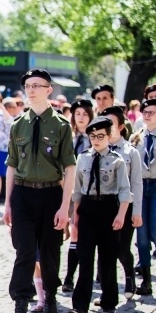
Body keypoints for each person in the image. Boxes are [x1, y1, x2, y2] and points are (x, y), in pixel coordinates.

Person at [3, 69, 76, 313]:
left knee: (49, 252)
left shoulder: (61, 125)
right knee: (23, 252)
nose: (31, 90)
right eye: (28, 85)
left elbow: (69, 168)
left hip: (50, 194)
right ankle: (20, 309)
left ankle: (51, 302)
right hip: (22, 193)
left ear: (49, 89)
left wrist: (65, 207)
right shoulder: (18, 124)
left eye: (37, 85)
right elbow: (11, 165)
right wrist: (8, 203)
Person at [68, 116, 131, 313]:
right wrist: (75, 217)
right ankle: (80, 305)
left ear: (109, 135)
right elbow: (77, 190)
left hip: (108, 208)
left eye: (100, 136)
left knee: (107, 258)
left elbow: (124, 190)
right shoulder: (83, 157)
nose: (96, 140)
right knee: (85, 257)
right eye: (92, 136)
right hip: (87, 208)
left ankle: (109, 301)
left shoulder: (117, 160)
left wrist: (121, 215)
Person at [103, 105, 143, 300]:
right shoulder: (96, 149)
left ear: (120, 126)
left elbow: (136, 183)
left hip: (124, 207)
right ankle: (108, 293)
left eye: (111, 123)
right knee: (105, 250)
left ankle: (129, 274)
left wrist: (137, 211)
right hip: (102, 207)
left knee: (121, 249)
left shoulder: (130, 151)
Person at [61, 99, 95, 292]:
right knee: (66, 231)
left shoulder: (94, 137)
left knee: (77, 231)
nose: (81, 118)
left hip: (85, 191)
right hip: (66, 188)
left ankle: (70, 276)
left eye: (84, 114)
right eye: (78, 114)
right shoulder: (69, 135)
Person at [135, 98, 156, 295]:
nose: (147, 115)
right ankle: (145, 279)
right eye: (145, 112)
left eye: (152, 112)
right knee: (142, 235)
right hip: (141, 187)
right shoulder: (137, 138)